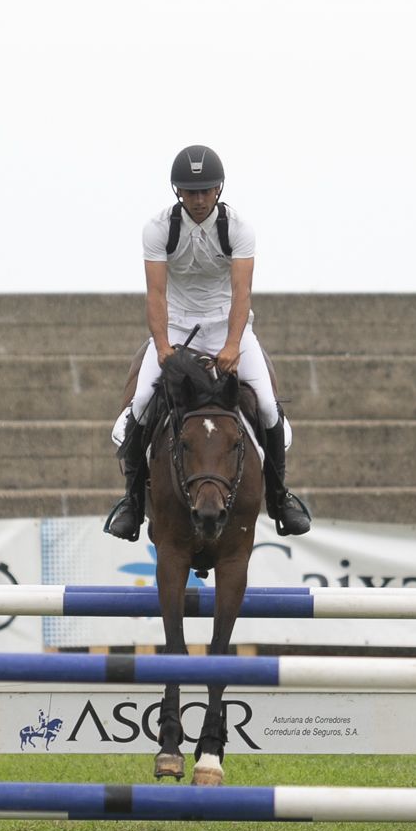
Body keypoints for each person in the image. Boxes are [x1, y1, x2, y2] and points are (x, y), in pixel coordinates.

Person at [104, 145, 311, 542]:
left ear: (218, 190)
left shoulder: (237, 228)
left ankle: (280, 497)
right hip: (177, 326)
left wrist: (233, 344)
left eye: (205, 191)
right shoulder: (159, 228)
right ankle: (132, 502)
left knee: (267, 406)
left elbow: (242, 291)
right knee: (141, 408)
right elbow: (155, 294)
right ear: (177, 192)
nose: (198, 200)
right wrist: (163, 346)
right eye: (189, 192)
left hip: (227, 324)